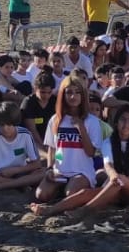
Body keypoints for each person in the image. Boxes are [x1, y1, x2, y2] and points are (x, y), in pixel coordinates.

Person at [31, 75, 106, 215]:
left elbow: (90, 153)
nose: (73, 96)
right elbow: (53, 149)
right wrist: (49, 168)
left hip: (82, 171)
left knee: (71, 192)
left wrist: (81, 127)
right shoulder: (55, 120)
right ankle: (60, 191)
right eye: (69, 92)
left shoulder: (92, 121)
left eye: (77, 92)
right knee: (41, 195)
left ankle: (55, 206)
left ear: (83, 95)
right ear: (62, 94)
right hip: (60, 170)